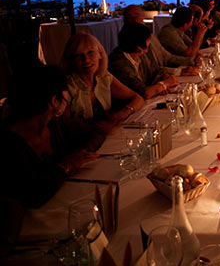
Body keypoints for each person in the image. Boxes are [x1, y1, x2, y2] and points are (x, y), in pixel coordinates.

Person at [0, 64, 100, 208]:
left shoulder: (54, 125)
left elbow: (96, 132)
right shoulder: (8, 144)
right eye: (65, 92)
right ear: (54, 100)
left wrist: (82, 153)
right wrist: (65, 166)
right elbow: (32, 195)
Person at [61, 33, 144, 132]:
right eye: (78, 56)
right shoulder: (67, 87)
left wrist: (121, 114)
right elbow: (64, 127)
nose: (86, 60)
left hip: (106, 137)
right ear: (71, 61)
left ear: (100, 54)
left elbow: (138, 98)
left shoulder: (104, 77)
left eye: (90, 52)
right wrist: (98, 128)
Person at [123, 5, 201, 76]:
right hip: (155, 82)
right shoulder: (132, 44)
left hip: (163, 78)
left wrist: (193, 61)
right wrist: (179, 71)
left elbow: (167, 57)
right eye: (140, 15)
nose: (143, 18)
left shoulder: (151, 37)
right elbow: (152, 69)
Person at [109, 23, 178, 100]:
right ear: (139, 48)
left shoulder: (138, 55)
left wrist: (163, 79)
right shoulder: (118, 63)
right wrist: (165, 84)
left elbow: (156, 71)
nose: (147, 49)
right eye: (148, 44)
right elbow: (143, 93)